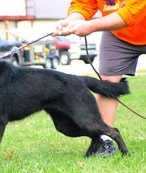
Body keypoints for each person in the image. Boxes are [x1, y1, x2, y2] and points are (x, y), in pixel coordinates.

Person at [54, 0, 146, 156]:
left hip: (131, 20)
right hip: (118, 35)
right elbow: (83, 4)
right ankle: (104, 140)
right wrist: (73, 20)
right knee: (107, 85)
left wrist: (90, 26)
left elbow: (131, 13)